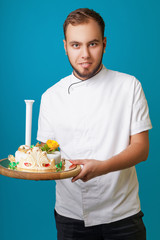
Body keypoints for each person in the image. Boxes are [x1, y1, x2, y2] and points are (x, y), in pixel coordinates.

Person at [37, 8, 152, 240]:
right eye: (76, 45)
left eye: (93, 44)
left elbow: (141, 149)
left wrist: (102, 167)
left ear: (104, 43)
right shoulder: (51, 96)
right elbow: (47, 153)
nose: (85, 55)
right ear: (65, 46)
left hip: (122, 214)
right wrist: (32, 158)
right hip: (70, 215)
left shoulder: (129, 87)